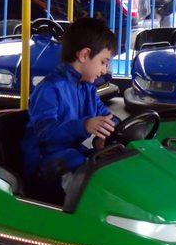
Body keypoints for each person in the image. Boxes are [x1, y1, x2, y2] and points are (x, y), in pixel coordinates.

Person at [21, 17, 117, 203]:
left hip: (71, 155)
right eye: (104, 62)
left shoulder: (87, 89)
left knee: (109, 162)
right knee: (83, 167)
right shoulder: (50, 88)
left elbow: (107, 116)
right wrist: (84, 126)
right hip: (44, 164)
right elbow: (45, 133)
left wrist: (104, 134)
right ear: (84, 55)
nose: (105, 70)